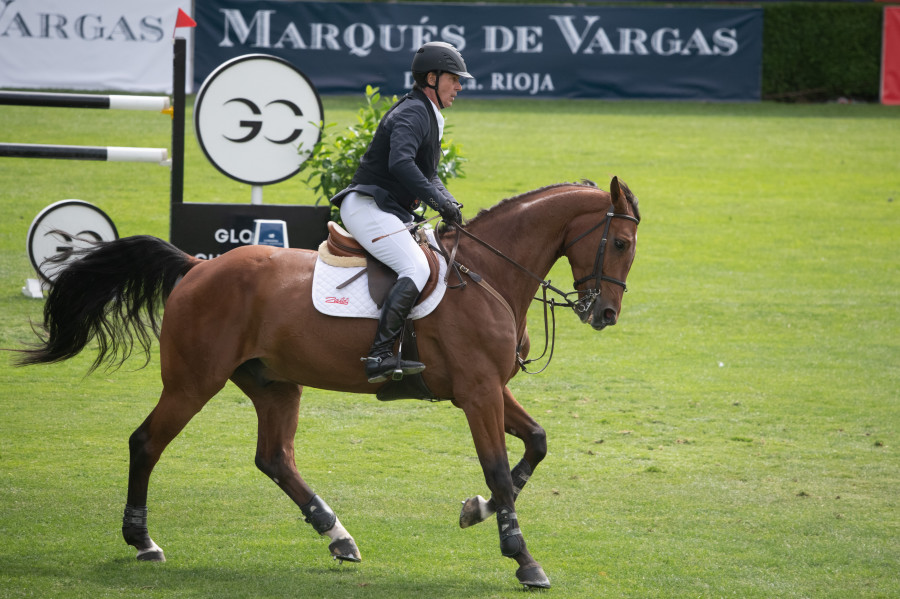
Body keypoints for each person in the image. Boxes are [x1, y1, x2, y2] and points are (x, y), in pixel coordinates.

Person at [329, 41, 472, 383]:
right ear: (432, 78)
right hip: (367, 207)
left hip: (387, 210)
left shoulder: (426, 112)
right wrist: (439, 203)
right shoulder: (412, 112)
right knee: (416, 266)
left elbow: (429, 173)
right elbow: (401, 162)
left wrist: (448, 202)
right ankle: (379, 355)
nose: (459, 86)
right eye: (454, 79)